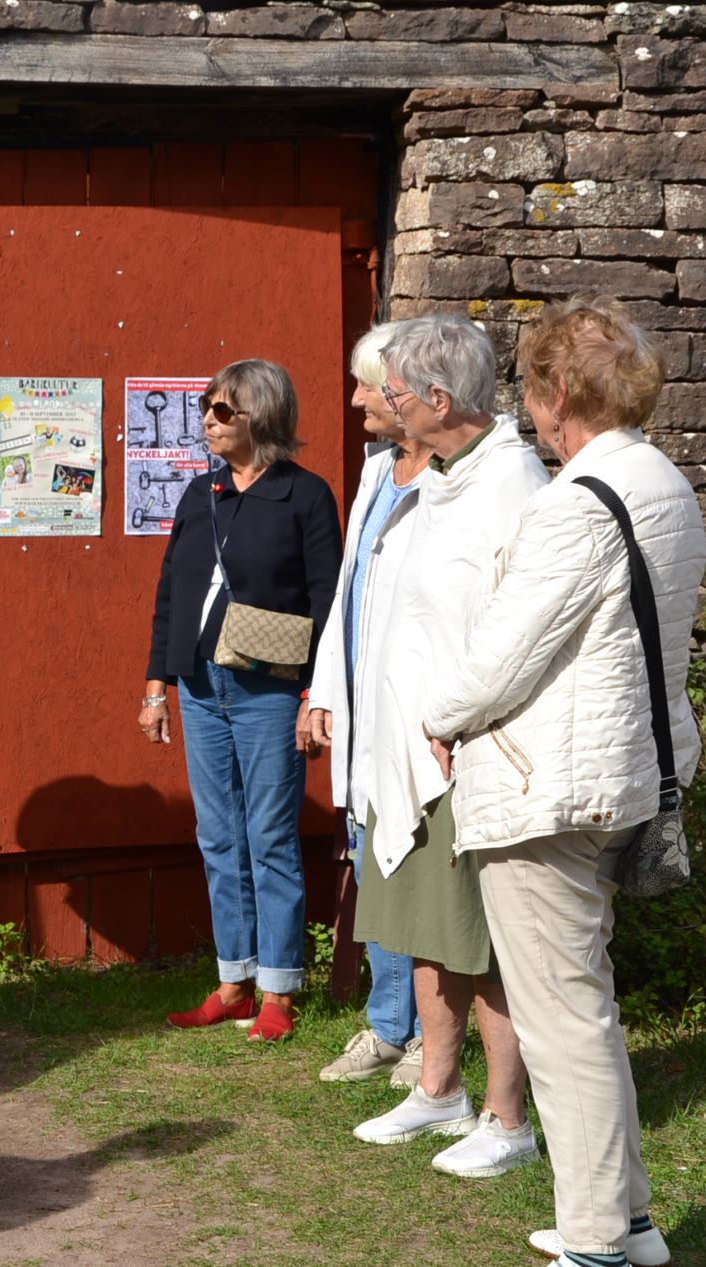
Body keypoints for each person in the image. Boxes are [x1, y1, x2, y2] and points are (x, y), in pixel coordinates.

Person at [422, 297, 704, 1267]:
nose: (531, 411)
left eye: (535, 390)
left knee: (561, 1023)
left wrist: (437, 714)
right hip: (615, 775)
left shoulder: (577, 503)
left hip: (548, 786)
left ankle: (593, 1243)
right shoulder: (663, 482)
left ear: (561, 395)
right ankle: (629, 1221)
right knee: (586, 1007)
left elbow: (501, 657)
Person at [348, 316, 548, 1178]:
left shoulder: (510, 483)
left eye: (393, 392)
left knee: (484, 938)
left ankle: (508, 1115)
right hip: (409, 746)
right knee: (426, 924)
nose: (383, 404)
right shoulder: (437, 479)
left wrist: (459, 723)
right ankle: (439, 1087)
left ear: (437, 398)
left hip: (468, 752)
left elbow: (511, 631)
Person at [140, 358, 341, 1042]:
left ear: (263, 416)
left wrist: (316, 692)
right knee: (218, 835)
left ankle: (278, 992)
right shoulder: (203, 493)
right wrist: (157, 686)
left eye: (223, 410)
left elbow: (327, 600)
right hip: (201, 686)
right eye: (206, 406)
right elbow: (172, 592)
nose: (208, 419)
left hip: (270, 689)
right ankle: (233, 983)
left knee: (271, 836)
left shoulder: (304, 496)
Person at [308, 323, 427, 1087]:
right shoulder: (378, 470)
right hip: (361, 709)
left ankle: (426, 1038)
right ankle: (388, 1025)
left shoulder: (445, 481)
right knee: (371, 861)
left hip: (413, 713)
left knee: (414, 875)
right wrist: (325, 689)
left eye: (367, 386)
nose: (355, 400)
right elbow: (349, 591)